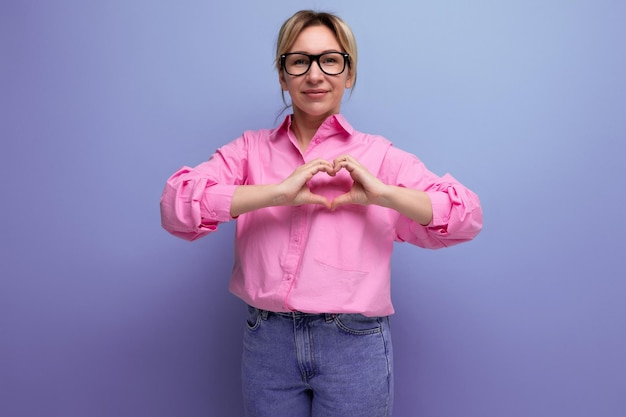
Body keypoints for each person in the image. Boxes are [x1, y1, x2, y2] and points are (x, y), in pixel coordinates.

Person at [160, 9, 482, 417]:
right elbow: (175, 206)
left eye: (330, 60)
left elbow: (466, 215)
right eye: (299, 61)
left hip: (353, 342)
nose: (315, 75)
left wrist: (384, 195)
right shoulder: (249, 150)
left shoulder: (378, 155)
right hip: (267, 340)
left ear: (349, 72)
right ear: (282, 74)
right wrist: (274, 194)